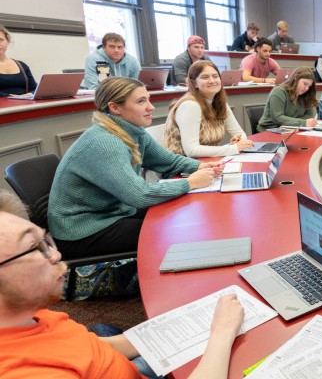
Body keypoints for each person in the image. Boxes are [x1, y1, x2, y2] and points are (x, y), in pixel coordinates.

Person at [0, 190, 244, 379]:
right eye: (35, 248)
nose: (55, 254)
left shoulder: (26, 312)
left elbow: (98, 347)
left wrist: (186, 320)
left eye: (46, 240)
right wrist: (221, 332)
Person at [48, 77, 222, 259]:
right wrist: (189, 183)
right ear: (115, 107)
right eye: (141, 101)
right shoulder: (104, 142)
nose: (151, 107)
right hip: (81, 229)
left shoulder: (132, 131)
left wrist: (201, 166)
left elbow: (169, 161)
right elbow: (140, 195)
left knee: (177, 215)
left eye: (148, 99)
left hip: (112, 211)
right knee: (172, 232)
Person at [164, 60, 254, 157]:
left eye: (215, 76)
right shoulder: (190, 105)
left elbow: (239, 133)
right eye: (205, 77)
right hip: (181, 166)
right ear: (194, 83)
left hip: (206, 163)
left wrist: (239, 140)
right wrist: (234, 148)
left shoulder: (220, 104)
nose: (212, 81)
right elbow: (191, 150)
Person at [256, 66, 318, 131]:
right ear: (296, 78)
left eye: (309, 86)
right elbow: (277, 118)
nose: (306, 88)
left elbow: (309, 115)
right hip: (269, 130)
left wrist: (292, 122)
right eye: (305, 84)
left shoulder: (306, 95)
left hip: (291, 129)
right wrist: (303, 122)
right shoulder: (279, 91)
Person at [0, 23, 37, 97]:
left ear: (8, 41)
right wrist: (10, 96)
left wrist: (30, 94)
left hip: (24, 106)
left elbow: (34, 88)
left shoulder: (22, 65)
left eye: (1, 40)